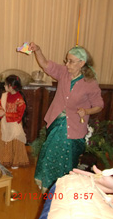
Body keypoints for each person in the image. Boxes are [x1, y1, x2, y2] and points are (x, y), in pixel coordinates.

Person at [28, 42, 104, 193]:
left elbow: (99, 105)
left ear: (81, 63)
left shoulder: (90, 83)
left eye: (70, 61)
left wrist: (86, 111)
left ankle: (63, 188)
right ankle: (47, 184)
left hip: (74, 126)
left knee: (67, 158)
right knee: (49, 152)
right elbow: (45, 64)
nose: (67, 64)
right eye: (66, 60)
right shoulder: (63, 72)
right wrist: (38, 50)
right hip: (57, 122)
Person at [0, 75, 29, 169]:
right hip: (4, 123)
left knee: (14, 142)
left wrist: (5, 114)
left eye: (6, 85)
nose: (4, 86)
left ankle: (15, 161)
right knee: (2, 140)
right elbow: (0, 104)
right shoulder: (5, 95)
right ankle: (1, 157)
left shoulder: (20, 100)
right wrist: (0, 111)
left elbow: (19, 116)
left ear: (11, 86)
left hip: (14, 125)